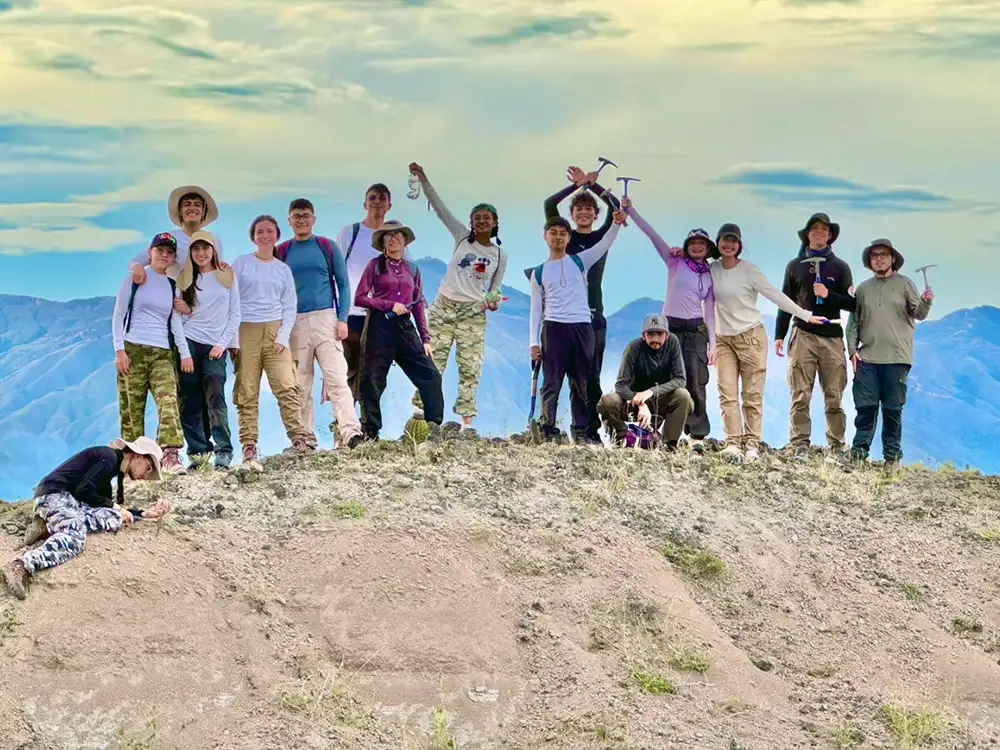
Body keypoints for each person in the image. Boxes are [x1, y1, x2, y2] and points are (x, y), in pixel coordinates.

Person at [704, 223, 828, 462]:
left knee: (752, 394)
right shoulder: (711, 270)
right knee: (726, 393)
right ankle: (732, 442)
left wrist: (806, 315)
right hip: (723, 340)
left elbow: (776, 295)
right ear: (718, 243)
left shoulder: (749, 271)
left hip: (751, 337)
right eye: (724, 240)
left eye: (733, 241)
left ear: (739, 245)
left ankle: (751, 443)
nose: (728, 245)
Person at [2, 436, 172, 601]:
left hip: (68, 500)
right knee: (76, 537)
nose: (146, 476)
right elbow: (84, 490)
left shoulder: (111, 464)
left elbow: (102, 505)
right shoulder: (109, 458)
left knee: (112, 516)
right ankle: (21, 565)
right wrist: (118, 508)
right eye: (149, 468)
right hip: (54, 495)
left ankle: (47, 527)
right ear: (138, 456)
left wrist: (143, 514)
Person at [407, 162, 509, 432]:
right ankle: (421, 412)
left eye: (487, 217)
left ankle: (467, 422)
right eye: (477, 217)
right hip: (444, 307)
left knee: (470, 365)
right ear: (471, 221)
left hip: (473, 313)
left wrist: (494, 300)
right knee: (432, 360)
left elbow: (495, 288)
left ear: (496, 223)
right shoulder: (462, 237)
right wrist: (424, 179)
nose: (482, 220)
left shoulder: (500, 255)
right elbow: (440, 209)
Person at [624, 198, 717, 451]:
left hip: (696, 330)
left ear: (708, 249)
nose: (697, 247)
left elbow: (709, 309)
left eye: (702, 244)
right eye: (693, 243)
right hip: (670, 328)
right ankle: (649, 429)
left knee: (696, 381)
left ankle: (697, 436)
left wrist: (713, 342)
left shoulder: (710, 273)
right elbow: (652, 234)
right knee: (660, 378)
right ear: (687, 246)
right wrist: (631, 210)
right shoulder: (674, 261)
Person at [528, 209, 626, 443]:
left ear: (569, 238)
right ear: (545, 236)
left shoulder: (579, 262)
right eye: (554, 233)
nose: (558, 237)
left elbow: (604, 244)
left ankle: (580, 430)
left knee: (581, 381)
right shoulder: (538, 273)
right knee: (551, 381)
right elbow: (536, 310)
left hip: (583, 326)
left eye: (563, 233)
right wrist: (533, 342)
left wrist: (616, 224)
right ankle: (547, 428)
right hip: (553, 327)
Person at [274, 199, 364, 450]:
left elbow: (343, 283)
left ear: (314, 219)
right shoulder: (282, 251)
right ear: (289, 220)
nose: (301, 220)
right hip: (293, 321)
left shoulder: (326, 246)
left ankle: (350, 434)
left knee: (336, 378)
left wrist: (342, 318)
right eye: (296, 216)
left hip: (326, 317)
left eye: (305, 215)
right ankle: (305, 439)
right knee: (300, 382)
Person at [231, 215, 313, 470]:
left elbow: (290, 305)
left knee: (287, 386)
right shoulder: (242, 264)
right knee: (247, 389)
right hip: (246, 329)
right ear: (253, 236)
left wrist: (282, 336)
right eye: (259, 231)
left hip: (276, 329)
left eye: (269, 231)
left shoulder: (282, 269)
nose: (264, 236)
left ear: (277, 235)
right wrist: (233, 338)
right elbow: (231, 301)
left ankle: (299, 438)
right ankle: (249, 445)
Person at [354, 220, 444, 442]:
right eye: (388, 235)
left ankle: (434, 426)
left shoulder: (412, 269)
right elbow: (360, 298)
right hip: (379, 325)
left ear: (405, 241)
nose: (393, 238)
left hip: (405, 326)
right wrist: (387, 304)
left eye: (397, 235)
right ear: (382, 241)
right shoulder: (374, 265)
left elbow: (419, 304)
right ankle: (370, 432)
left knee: (430, 375)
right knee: (372, 379)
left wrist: (425, 338)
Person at [846, 239, 932, 469]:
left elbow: (919, 314)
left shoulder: (905, 284)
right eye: (874, 256)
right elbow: (853, 322)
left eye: (884, 254)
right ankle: (858, 454)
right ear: (869, 261)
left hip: (897, 357)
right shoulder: (864, 288)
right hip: (868, 357)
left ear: (893, 258)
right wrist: (852, 350)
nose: (879, 259)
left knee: (893, 410)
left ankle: (892, 458)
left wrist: (926, 301)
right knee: (865, 408)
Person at [775, 213, 855, 457]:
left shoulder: (840, 267)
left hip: (832, 335)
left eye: (824, 229)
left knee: (834, 395)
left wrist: (828, 294)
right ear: (807, 234)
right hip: (803, 334)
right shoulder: (794, 267)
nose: (820, 232)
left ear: (830, 235)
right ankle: (800, 443)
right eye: (815, 228)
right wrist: (779, 334)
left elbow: (852, 304)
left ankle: (837, 445)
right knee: (800, 393)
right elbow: (785, 302)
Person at [112, 232, 192, 474]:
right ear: (151, 252)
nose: (164, 255)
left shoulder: (172, 286)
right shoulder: (135, 279)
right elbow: (118, 315)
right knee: (131, 408)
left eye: (168, 252)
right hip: (133, 348)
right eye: (160, 250)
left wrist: (185, 353)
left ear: (173, 258)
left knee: (169, 399)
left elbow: (175, 322)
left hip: (162, 352)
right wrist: (120, 350)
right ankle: (132, 465)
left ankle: (169, 455)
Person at [173, 230, 241, 469]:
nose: (201, 253)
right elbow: (177, 318)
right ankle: (199, 453)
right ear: (190, 253)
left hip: (215, 344)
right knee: (189, 399)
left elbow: (235, 314)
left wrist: (222, 344)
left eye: (205, 248)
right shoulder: (185, 279)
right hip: (190, 340)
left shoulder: (227, 276)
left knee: (215, 393)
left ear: (213, 250)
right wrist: (184, 352)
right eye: (196, 249)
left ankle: (223, 449)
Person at [337, 183, 410, 401]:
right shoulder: (351, 233)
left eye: (381, 198)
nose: (376, 201)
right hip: (352, 311)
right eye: (372, 198)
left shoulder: (395, 239)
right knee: (350, 368)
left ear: (389, 205)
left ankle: (367, 424)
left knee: (374, 371)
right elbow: (336, 270)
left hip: (382, 314)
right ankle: (346, 425)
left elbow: (408, 275)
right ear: (365, 203)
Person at [598, 314, 694, 449]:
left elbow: (680, 379)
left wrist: (651, 392)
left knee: (683, 395)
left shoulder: (673, 343)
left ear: (666, 335)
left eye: (659, 334)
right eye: (651, 334)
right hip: (633, 403)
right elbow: (620, 385)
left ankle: (669, 445)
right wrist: (640, 403)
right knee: (608, 401)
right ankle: (622, 439)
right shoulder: (634, 348)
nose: (655, 339)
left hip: (661, 402)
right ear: (643, 335)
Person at [129, 185, 224, 283]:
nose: (192, 208)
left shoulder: (214, 240)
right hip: (173, 295)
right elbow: (136, 261)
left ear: (204, 211)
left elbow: (218, 271)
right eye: (187, 204)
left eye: (197, 204)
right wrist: (137, 267)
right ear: (180, 211)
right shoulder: (167, 239)